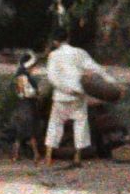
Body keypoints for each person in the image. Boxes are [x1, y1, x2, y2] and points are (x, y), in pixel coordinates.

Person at [41, 26, 110, 165]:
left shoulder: (53, 56)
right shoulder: (79, 53)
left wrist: (66, 89)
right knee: (80, 125)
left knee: (54, 124)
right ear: (68, 38)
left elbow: (52, 78)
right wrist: (111, 82)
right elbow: (96, 68)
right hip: (78, 96)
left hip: (61, 96)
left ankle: (48, 158)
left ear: (55, 42)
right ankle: (77, 157)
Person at [7, 53, 44, 161]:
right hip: (27, 104)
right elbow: (28, 92)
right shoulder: (24, 78)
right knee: (31, 130)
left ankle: (15, 155)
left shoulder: (20, 76)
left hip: (21, 104)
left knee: (21, 131)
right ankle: (36, 154)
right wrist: (37, 93)